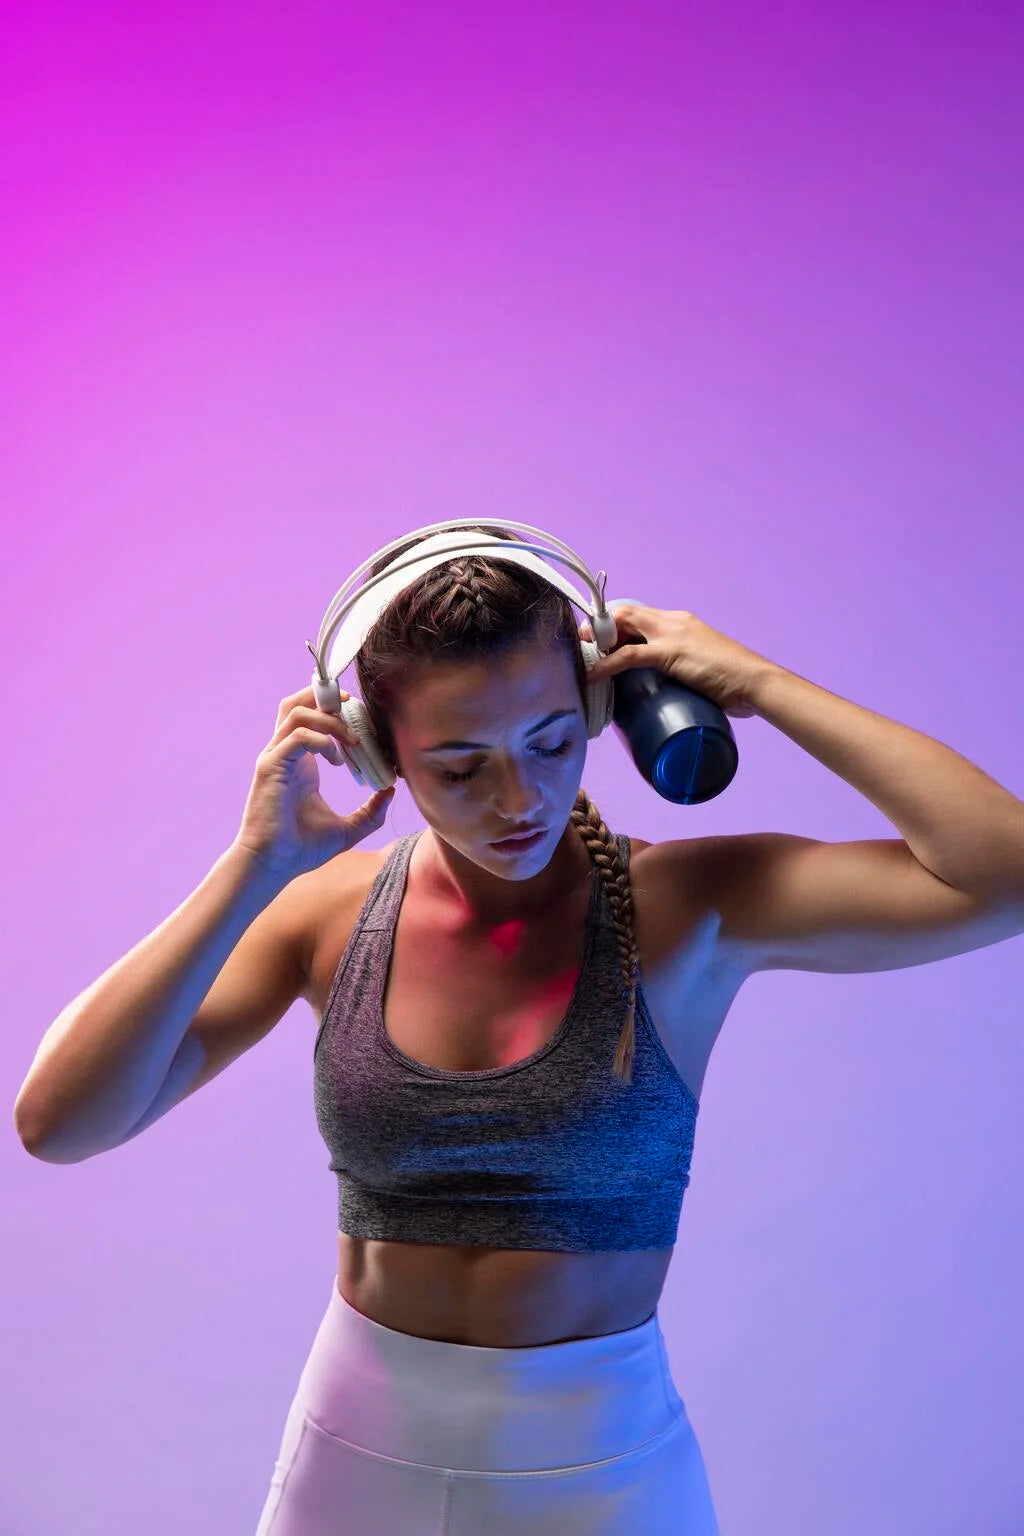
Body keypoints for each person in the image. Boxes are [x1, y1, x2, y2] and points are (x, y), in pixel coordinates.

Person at [19, 523, 1022, 1533]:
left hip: (601, 1470)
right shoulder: (324, 914)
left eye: (549, 741)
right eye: (459, 767)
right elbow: (59, 1122)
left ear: (598, 704)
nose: (519, 798)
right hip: (354, 1458)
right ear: (376, 752)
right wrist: (251, 866)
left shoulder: (691, 905)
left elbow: (1002, 877)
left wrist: (758, 683)